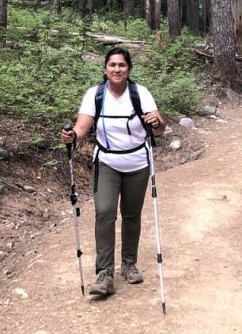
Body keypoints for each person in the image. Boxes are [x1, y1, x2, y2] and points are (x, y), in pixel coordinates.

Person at [59, 47, 165, 297]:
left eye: (122, 65)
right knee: (105, 212)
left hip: (138, 162)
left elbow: (159, 127)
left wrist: (158, 123)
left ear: (129, 69)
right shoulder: (95, 95)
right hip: (106, 162)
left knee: (131, 214)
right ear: (105, 69)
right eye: (112, 65)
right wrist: (73, 136)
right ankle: (104, 273)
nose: (117, 69)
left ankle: (129, 264)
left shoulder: (141, 93)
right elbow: (83, 127)